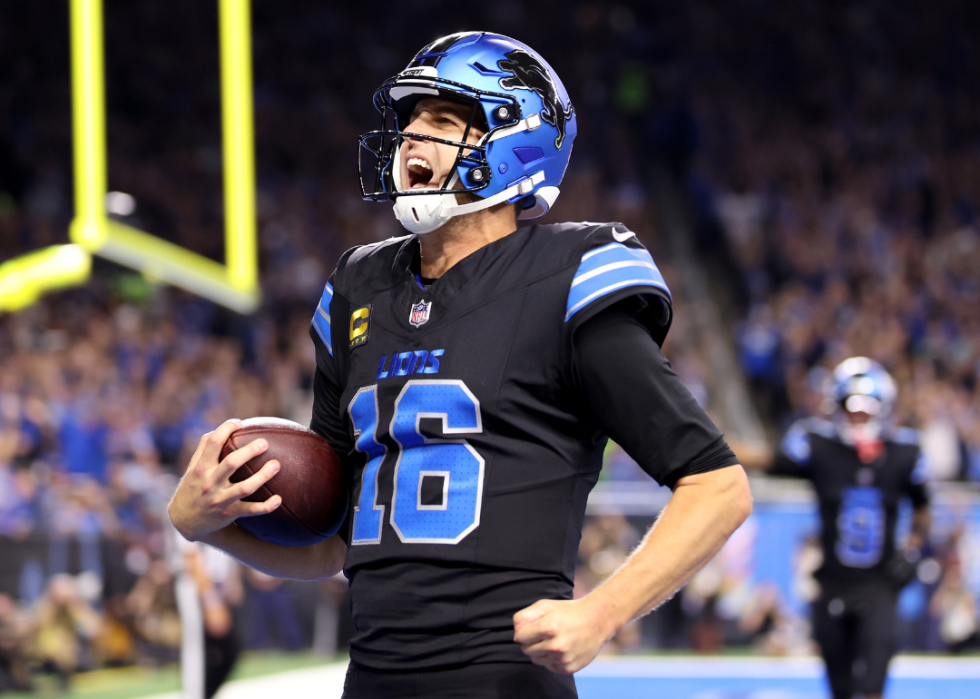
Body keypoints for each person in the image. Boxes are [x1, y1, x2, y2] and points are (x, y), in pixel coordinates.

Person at [169, 32, 752, 698]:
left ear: (515, 144)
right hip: (374, 679)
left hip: (500, 679)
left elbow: (717, 486)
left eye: (443, 120)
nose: (413, 136)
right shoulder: (359, 287)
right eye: (410, 120)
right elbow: (334, 542)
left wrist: (602, 612)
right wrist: (205, 526)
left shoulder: (566, 276)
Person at [771, 357, 931, 699]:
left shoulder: (904, 452)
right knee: (840, 690)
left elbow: (922, 507)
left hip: (879, 584)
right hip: (831, 582)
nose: (859, 417)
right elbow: (773, 462)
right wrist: (713, 450)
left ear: (883, 408)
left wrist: (914, 547)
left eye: (867, 409)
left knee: (873, 686)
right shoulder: (819, 445)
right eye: (852, 408)